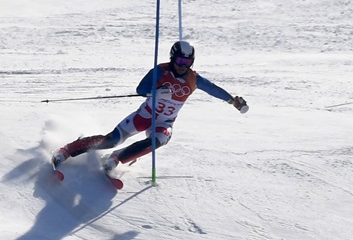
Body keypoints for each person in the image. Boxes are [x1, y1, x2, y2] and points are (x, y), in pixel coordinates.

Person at [52, 40, 249, 172]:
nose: (182, 65)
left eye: (187, 62)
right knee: (111, 139)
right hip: (144, 116)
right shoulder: (160, 71)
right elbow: (140, 88)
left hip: (164, 122)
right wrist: (155, 91)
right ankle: (67, 150)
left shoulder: (193, 79)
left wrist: (232, 101)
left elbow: (213, 89)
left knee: (160, 139)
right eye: (179, 60)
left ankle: (117, 158)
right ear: (173, 57)